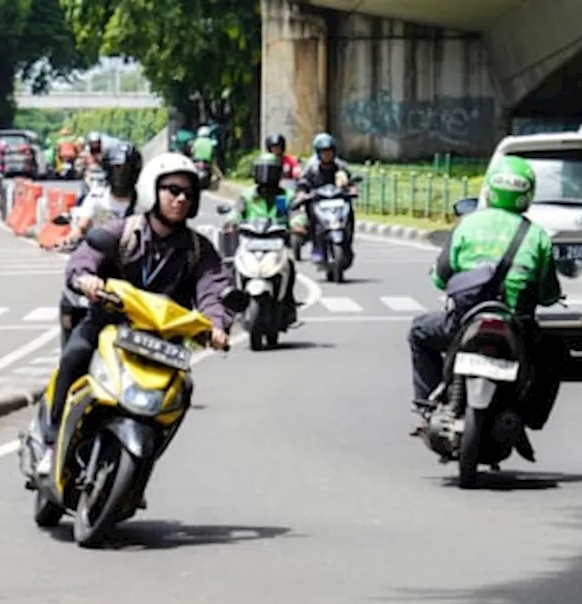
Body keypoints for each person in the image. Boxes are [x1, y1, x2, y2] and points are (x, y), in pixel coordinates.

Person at [35, 152, 236, 478]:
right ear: (151, 190)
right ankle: (50, 441)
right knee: (74, 355)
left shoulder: (200, 250)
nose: (180, 198)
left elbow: (213, 290)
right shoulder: (122, 232)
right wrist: (86, 278)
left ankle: (143, 462)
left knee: (181, 392)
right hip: (108, 326)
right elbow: (85, 258)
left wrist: (218, 326)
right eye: (172, 189)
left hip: (161, 341)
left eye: (188, 193)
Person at [407, 155, 565, 437]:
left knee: (419, 331)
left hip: (465, 321)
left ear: (490, 189)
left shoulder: (467, 226)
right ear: (527, 194)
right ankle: (531, 415)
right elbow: (548, 292)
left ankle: (426, 407)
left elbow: (441, 276)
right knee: (554, 353)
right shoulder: (537, 236)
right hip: (518, 326)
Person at [56, 141, 144, 345]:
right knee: (74, 351)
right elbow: (84, 223)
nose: (122, 175)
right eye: (117, 169)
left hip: (132, 276)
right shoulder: (96, 198)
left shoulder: (145, 203)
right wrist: (73, 236)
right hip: (95, 273)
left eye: (127, 170)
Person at [221, 152, 306, 325]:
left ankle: (288, 304)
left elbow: (296, 213)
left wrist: (297, 225)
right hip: (250, 241)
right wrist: (231, 222)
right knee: (232, 265)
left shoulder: (286, 196)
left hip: (277, 241)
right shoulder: (247, 196)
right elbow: (236, 212)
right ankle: (233, 304)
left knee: (289, 264)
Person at [295, 132, 355, 263]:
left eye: (329, 151)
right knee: (313, 218)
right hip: (318, 202)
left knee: (349, 214)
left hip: (338, 201)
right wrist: (302, 193)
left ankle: (348, 243)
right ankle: (317, 247)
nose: (327, 155)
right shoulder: (311, 168)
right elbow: (303, 183)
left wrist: (352, 189)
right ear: (318, 153)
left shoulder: (341, 167)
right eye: (323, 152)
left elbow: (351, 181)